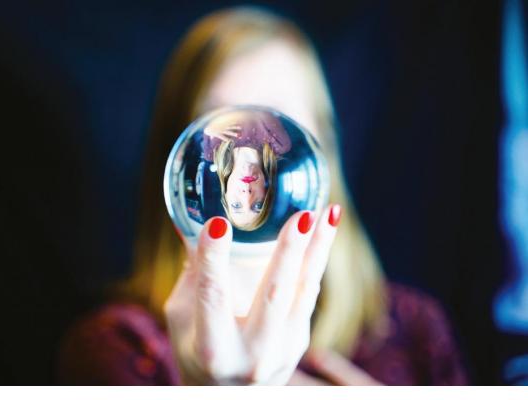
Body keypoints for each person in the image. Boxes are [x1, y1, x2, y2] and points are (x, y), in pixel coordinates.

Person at [58, 7, 468, 385]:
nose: (248, 152)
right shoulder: (120, 346)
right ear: (178, 157)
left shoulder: (415, 330)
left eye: (276, 125)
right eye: (221, 127)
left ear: (323, 147)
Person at [202, 109, 292, 230]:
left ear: (226, 195)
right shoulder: (279, 144)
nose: (247, 195)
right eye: (258, 205)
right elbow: (260, 106)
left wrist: (207, 125)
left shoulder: (211, 151)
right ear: (267, 194)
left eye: (236, 205)